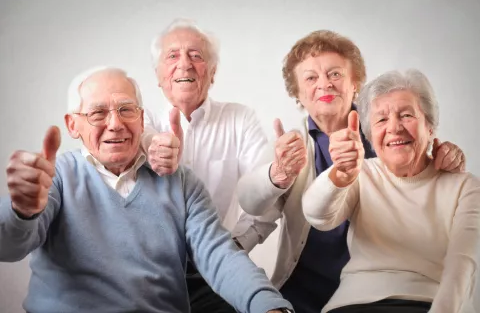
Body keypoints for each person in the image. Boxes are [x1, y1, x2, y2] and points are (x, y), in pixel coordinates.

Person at [0, 67, 293, 313]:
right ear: (73, 124)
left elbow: (219, 255)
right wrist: (21, 211)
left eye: (126, 110)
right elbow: (9, 247)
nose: (115, 124)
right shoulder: (57, 176)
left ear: (141, 119)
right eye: (98, 113)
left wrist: (268, 306)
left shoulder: (181, 182)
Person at [237, 30, 466, 313]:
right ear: (297, 93)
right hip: (303, 291)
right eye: (311, 78)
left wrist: (445, 159)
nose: (325, 84)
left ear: (355, 83)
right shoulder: (290, 147)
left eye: (335, 74)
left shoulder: (388, 136)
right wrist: (278, 174)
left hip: (378, 292)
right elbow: (252, 209)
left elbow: (426, 187)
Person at [302, 69, 480, 313]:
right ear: (370, 136)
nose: (394, 128)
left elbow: (464, 263)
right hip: (353, 305)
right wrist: (340, 174)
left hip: (428, 303)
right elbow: (317, 216)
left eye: (406, 115)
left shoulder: (465, 186)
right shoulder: (361, 173)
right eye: (381, 120)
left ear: (430, 127)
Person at [142, 19, 279, 313]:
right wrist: (155, 147)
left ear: (212, 72)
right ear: (158, 75)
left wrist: (237, 246)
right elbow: (142, 143)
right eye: (173, 56)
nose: (185, 65)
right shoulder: (141, 121)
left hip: (215, 273)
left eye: (196, 55)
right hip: (149, 274)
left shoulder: (239, 120)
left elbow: (266, 197)